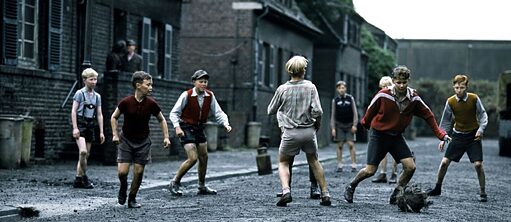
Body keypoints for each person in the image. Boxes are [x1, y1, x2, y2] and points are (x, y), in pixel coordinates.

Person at [343, 65, 451, 204]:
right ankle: (351, 186)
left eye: (404, 82)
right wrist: (365, 124)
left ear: (408, 81)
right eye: (398, 82)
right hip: (379, 135)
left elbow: (428, 116)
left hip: (396, 137)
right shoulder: (383, 94)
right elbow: (370, 111)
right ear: (393, 81)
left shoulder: (414, 98)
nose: (401, 85)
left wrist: (441, 135)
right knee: (370, 170)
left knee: (410, 167)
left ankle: (397, 193)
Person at [268, 55, 331, 207]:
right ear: (304, 70)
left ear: (289, 71)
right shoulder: (310, 87)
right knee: (314, 161)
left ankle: (286, 191)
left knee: (283, 162)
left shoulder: (282, 89)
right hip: (308, 132)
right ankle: (325, 194)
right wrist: (317, 124)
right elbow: (318, 111)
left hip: (290, 132)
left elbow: (271, 110)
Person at [111, 71, 171, 208]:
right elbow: (114, 117)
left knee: (138, 172)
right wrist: (115, 134)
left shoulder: (151, 104)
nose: (151, 88)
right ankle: (123, 187)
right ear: (138, 85)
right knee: (122, 172)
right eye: (148, 85)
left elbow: (162, 120)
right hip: (126, 140)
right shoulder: (126, 102)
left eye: (151, 85)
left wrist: (166, 137)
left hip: (143, 142)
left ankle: (132, 198)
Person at [168, 70, 232, 196]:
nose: (203, 84)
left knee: (204, 157)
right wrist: (177, 127)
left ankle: (201, 186)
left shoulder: (210, 95)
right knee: (192, 158)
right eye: (201, 81)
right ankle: (174, 182)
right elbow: (174, 113)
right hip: (186, 127)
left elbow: (218, 112)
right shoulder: (186, 95)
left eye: (205, 82)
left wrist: (225, 123)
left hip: (199, 128)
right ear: (194, 82)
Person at [427, 74, 488, 202]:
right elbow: (445, 122)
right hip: (457, 135)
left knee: (478, 165)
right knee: (444, 163)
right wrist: (442, 138)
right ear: (453, 87)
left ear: (466, 87)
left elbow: (483, 115)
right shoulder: (451, 101)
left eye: (461, 87)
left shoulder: (474, 99)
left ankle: (483, 192)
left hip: (473, 136)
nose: (459, 90)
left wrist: (481, 130)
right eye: (456, 87)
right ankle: (437, 188)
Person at [71, 68, 105, 189]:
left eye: (95, 79)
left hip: (91, 124)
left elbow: (100, 114)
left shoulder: (97, 96)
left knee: (86, 154)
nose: (94, 82)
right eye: (91, 79)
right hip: (81, 123)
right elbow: (74, 111)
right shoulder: (80, 93)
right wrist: (75, 128)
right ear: (85, 80)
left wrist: (101, 131)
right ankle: (84, 177)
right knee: (83, 151)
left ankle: (78, 178)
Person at [372, 76, 398, 184]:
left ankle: (394, 174)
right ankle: (383, 173)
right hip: (383, 128)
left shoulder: (396, 97)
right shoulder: (379, 97)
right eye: (382, 86)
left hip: (395, 127)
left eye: (386, 86)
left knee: (395, 152)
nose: (384, 88)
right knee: (383, 152)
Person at [330, 81, 358, 173]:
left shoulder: (350, 99)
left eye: (343, 88)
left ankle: (354, 164)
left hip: (350, 125)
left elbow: (355, 113)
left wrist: (355, 124)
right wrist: (333, 128)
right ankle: (340, 164)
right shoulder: (335, 100)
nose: (341, 90)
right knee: (340, 145)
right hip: (339, 125)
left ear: (345, 89)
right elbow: (333, 115)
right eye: (339, 88)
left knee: (351, 144)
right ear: (337, 89)